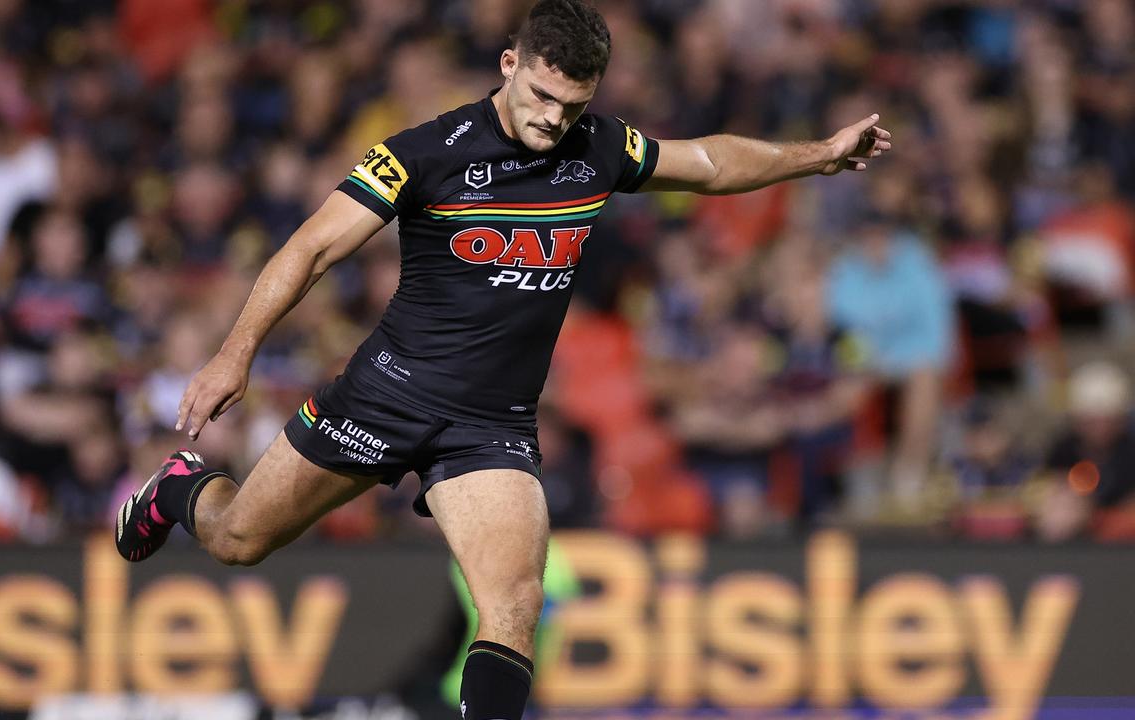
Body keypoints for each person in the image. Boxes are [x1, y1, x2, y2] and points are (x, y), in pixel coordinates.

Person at [113, 2, 892, 717]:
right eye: (544, 98)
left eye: (574, 106)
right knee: (237, 540)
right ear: (509, 62)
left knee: (515, 605)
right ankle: (182, 489)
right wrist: (232, 355)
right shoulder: (424, 154)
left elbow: (712, 165)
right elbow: (312, 247)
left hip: (490, 425)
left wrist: (819, 154)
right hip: (383, 397)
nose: (555, 121)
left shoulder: (600, 148)